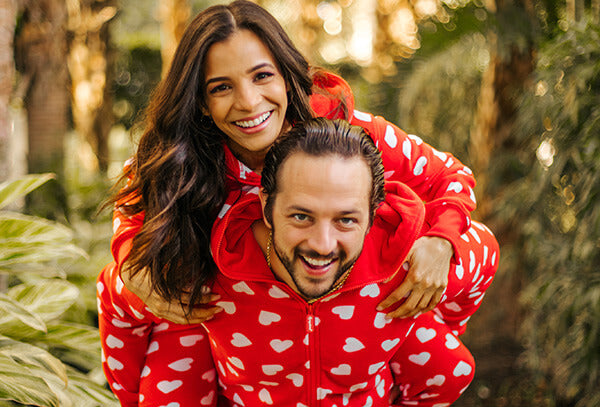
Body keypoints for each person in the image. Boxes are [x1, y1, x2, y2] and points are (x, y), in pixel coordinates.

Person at [97, 118, 495, 407]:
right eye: (300, 217)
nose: (321, 245)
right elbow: (118, 302)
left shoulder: (403, 266)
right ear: (265, 207)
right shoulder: (208, 266)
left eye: (346, 219)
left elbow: (478, 270)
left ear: (373, 214)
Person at [109, 0, 496, 331]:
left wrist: (442, 241)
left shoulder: (346, 133)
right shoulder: (185, 155)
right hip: (237, 335)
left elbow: (450, 175)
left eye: (262, 76)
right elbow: (134, 201)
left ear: (286, 75)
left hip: (356, 322)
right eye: (221, 87)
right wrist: (128, 263)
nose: (248, 101)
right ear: (201, 105)